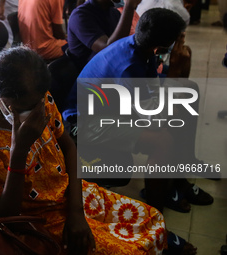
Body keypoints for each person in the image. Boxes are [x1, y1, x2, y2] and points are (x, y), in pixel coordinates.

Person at [0, 46, 166, 254]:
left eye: (36, 105)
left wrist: (76, 211)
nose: (32, 114)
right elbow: (3, 214)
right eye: (21, 109)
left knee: (153, 219)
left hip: (71, 195)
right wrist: (19, 150)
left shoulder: (40, 100)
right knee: (130, 251)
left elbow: (69, 147)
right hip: (36, 219)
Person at [76, 8, 215, 254]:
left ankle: (177, 181)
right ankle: (155, 219)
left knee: (187, 95)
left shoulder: (141, 47)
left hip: (115, 107)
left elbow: (151, 95)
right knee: (162, 140)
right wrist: (174, 73)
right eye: (178, 39)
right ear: (164, 45)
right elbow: (152, 113)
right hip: (91, 123)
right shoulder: (128, 66)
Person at [67, 0, 141, 71]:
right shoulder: (80, 16)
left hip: (112, 71)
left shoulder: (114, 13)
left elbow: (124, 47)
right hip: (91, 79)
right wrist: (129, 6)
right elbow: (108, 50)